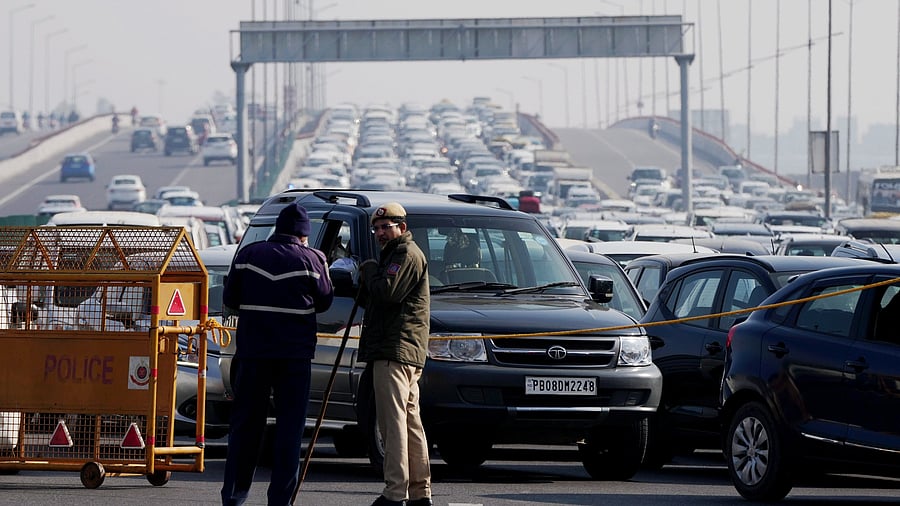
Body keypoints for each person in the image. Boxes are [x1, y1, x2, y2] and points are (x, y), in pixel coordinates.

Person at [220, 202, 334, 506]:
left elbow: (230, 297)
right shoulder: (312, 259)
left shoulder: (248, 255)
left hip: (253, 353)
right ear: (303, 234)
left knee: (245, 427)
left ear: (278, 228)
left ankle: (234, 496)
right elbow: (324, 301)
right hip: (294, 357)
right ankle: (280, 501)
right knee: (289, 429)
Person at [358, 202, 432, 506]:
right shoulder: (396, 254)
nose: (380, 233)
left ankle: (395, 492)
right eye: (376, 229)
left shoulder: (405, 254)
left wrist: (367, 268)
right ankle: (418, 492)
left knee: (393, 423)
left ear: (401, 227)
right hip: (402, 348)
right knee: (410, 422)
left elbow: (388, 292)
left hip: (394, 349)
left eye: (386, 227)